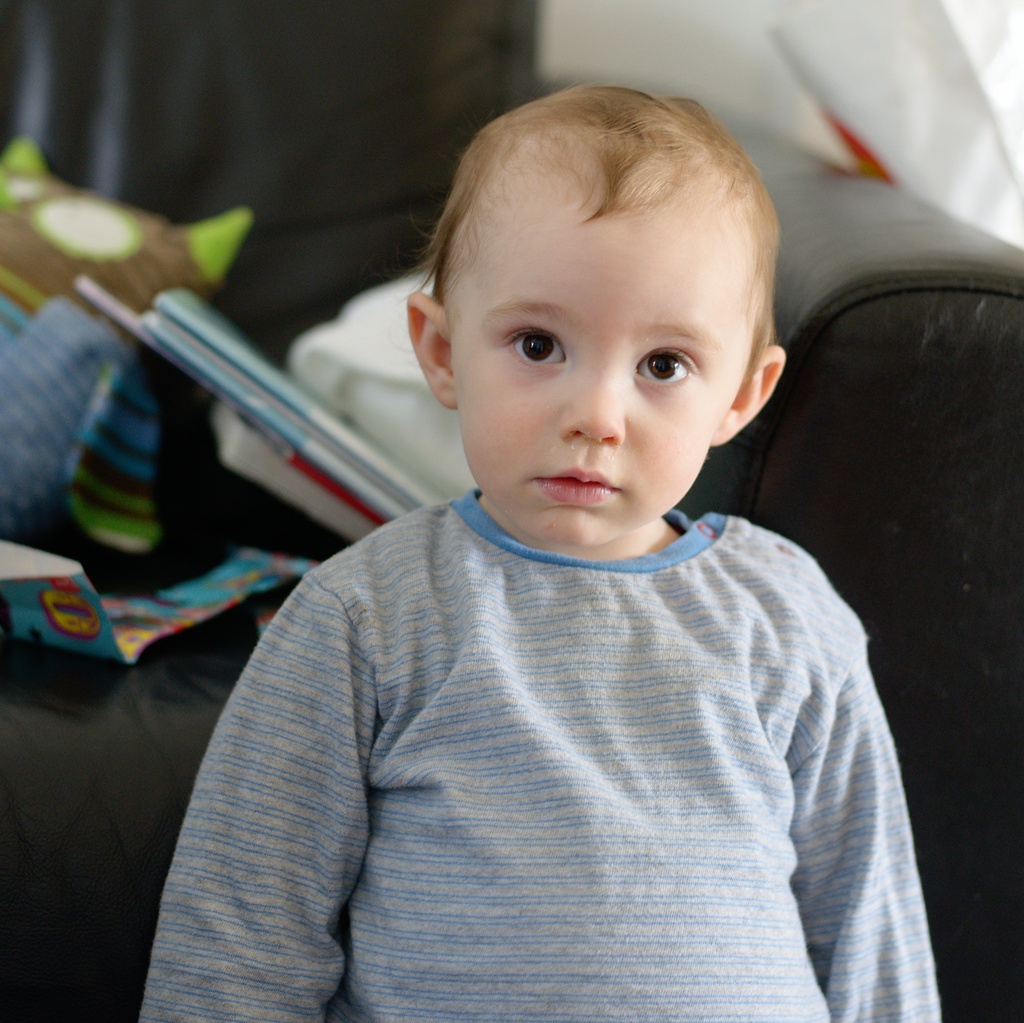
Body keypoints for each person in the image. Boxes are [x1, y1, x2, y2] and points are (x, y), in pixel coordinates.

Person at [140, 86, 940, 1022]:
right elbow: (237, 941)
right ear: (442, 351)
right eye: (537, 344)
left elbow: (872, 929)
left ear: (742, 395)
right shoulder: (365, 615)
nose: (596, 416)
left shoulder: (790, 614)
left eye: (664, 365)